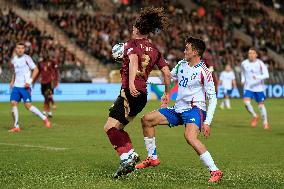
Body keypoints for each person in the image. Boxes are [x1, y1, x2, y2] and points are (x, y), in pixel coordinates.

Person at [135, 36, 223, 183]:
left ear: (195, 52)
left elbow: (213, 98)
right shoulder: (181, 64)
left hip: (195, 109)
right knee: (147, 120)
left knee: (190, 137)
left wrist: (207, 122)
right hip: (178, 109)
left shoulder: (204, 72)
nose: (184, 50)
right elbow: (168, 77)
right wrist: (145, 78)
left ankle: (215, 170)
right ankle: (152, 158)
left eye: (187, 48)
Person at [103, 7, 171, 178]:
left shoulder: (131, 45)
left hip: (130, 92)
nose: (132, 29)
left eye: (133, 27)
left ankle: (126, 157)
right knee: (118, 128)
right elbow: (167, 73)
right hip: (143, 96)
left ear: (137, 29)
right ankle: (130, 154)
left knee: (109, 127)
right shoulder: (155, 50)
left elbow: (133, 61)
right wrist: (167, 93)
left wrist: (131, 83)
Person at [9, 42, 51, 133]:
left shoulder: (27, 58)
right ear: (16, 49)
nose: (20, 50)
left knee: (28, 106)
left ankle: (44, 118)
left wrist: (30, 81)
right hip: (16, 86)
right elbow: (16, 72)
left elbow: (36, 70)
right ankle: (16, 126)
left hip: (25, 86)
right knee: (13, 103)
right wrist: (12, 81)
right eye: (18, 48)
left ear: (24, 49)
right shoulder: (15, 59)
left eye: (22, 48)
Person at [241, 48, 269, 129]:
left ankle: (265, 122)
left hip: (259, 88)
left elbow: (266, 75)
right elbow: (243, 72)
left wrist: (257, 77)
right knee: (246, 103)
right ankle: (255, 116)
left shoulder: (260, 63)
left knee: (261, 106)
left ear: (256, 54)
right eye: (250, 53)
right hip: (248, 87)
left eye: (253, 53)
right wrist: (243, 80)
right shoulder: (244, 63)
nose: (251, 55)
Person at [36, 52, 59, 117]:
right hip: (43, 82)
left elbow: (56, 71)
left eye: (46, 54)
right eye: (43, 54)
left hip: (50, 81)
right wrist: (34, 81)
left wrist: (56, 81)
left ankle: (45, 110)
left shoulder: (52, 62)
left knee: (48, 95)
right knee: (46, 96)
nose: (45, 55)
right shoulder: (40, 63)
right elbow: (38, 72)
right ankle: (49, 112)